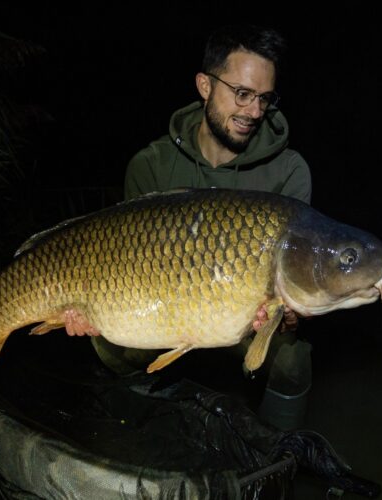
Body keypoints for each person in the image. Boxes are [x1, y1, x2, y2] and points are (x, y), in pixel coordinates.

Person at [92, 24, 312, 430]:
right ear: (205, 85)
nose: (254, 112)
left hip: (244, 323)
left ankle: (280, 458)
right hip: (159, 308)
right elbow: (117, 259)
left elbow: (297, 267)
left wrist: (292, 312)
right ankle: (135, 434)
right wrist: (93, 309)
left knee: (292, 361)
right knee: (107, 340)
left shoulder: (289, 170)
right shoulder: (151, 165)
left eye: (264, 99)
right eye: (242, 94)